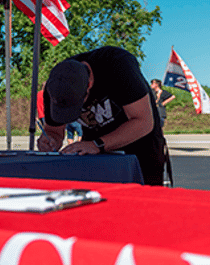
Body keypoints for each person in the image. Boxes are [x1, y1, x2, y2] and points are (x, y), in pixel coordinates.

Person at [37, 46, 166, 185]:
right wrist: (50, 140)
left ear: (89, 84)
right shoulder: (57, 84)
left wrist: (97, 144)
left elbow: (143, 121)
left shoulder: (118, 65)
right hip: (94, 148)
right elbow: (54, 131)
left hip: (140, 144)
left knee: (143, 199)